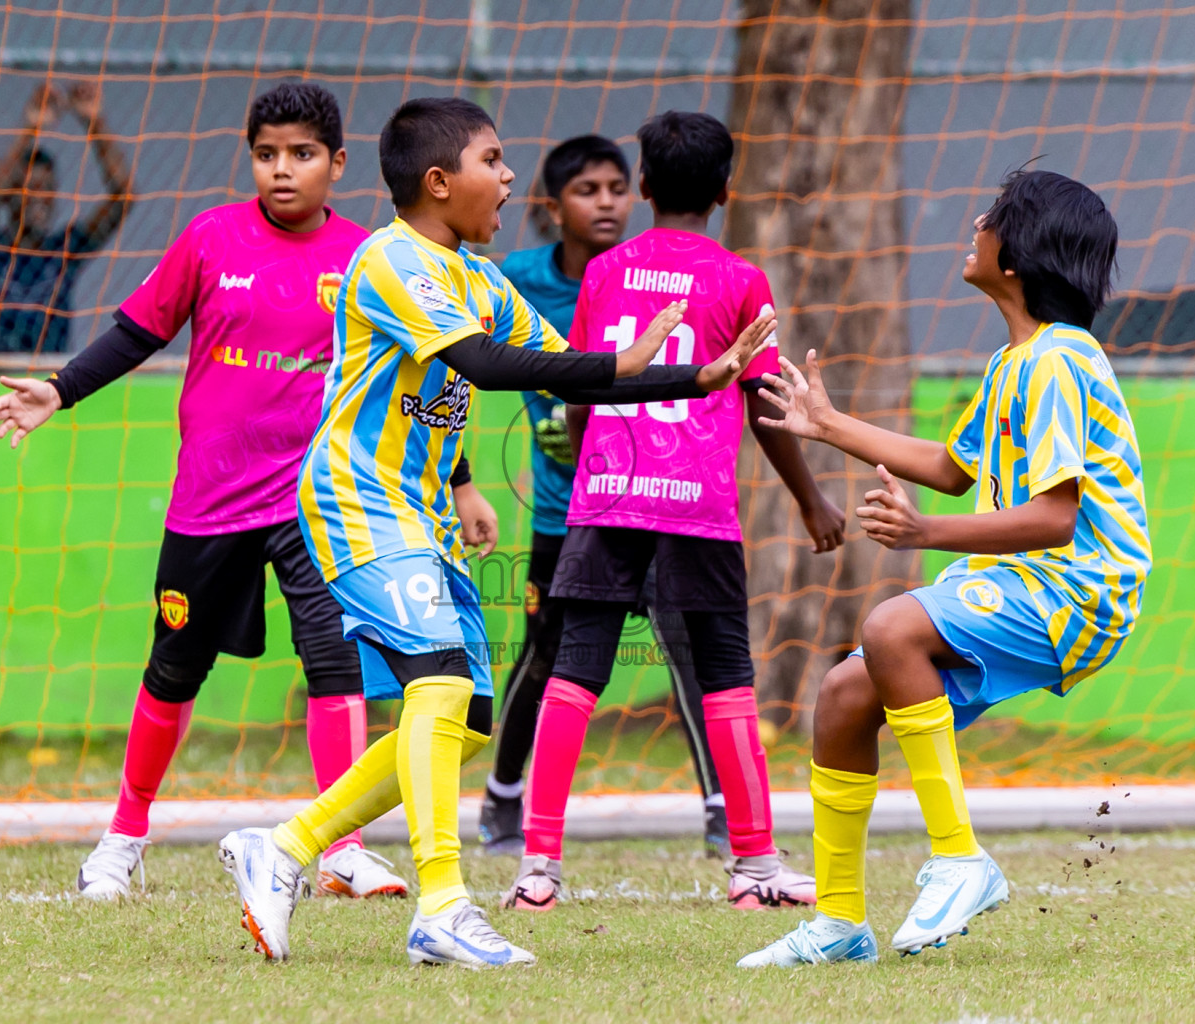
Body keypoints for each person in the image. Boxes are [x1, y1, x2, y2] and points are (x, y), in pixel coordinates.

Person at [215, 97, 776, 968]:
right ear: (440, 183)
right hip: (357, 502)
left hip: (425, 511)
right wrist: (617, 365)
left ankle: (285, 846)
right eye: (494, 160)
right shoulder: (394, 260)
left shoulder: (477, 277)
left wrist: (695, 374)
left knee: (466, 717)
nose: (511, 177)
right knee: (436, 687)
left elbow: (565, 373)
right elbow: (484, 364)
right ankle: (442, 903)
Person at [0, 83, 498, 902]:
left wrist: (462, 483)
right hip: (212, 500)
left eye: (301, 155)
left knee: (336, 668)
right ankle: (123, 836)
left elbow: (414, 380)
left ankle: (341, 850)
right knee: (174, 668)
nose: (282, 171)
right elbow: (135, 331)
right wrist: (59, 388)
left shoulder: (373, 258)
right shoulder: (209, 239)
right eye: (267, 155)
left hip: (322, 503)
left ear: (337, 163)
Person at [739, 169, 1149, 967]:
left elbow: (1055, 517)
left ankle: (960, 856)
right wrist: (828, 425)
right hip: (1024, 584)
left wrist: (925, 534)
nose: (975, 220)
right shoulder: (1016, 361)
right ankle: (839, 924)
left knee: (892, 625)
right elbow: (954, 464)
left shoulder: (1060, 360)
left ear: (1019, 253)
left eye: (992, 215)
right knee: (843, 694)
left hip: (1079, 589)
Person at [503, 111, 847, 914]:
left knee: (573, 677)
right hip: (697, 509)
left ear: (646, 187)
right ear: (727, 192)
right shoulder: (739, 278)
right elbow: (767, 405)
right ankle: (755, 867)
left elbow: (590, 381)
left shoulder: (606, 271)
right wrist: (810, 495)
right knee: (727, 681)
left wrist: (592, 451)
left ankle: (537, 868)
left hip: (607, 503)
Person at [480, 134, 731, 857]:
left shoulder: (655, 274)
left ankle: (719, 808)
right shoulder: (517, 279)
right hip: (566, 510)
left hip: (655, 495)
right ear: (550, 208)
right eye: (588, 191)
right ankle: (503, 796)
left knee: (683, 645)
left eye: (618, 188)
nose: (608, 203)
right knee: (547, 651)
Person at [0, 82, 133, 353]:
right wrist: (31, 127)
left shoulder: (61, 253)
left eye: (48, 189)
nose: (41, 197)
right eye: (32, 188)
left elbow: (123, 198)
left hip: (48, 386)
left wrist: (95, 123)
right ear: (9, 194)